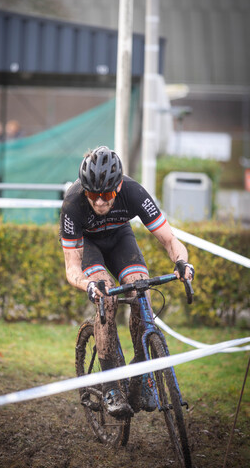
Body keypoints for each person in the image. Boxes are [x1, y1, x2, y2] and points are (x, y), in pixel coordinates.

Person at [60, 146, 194, 418]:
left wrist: (182, 262)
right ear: (84, 190)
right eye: (93, 195)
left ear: (118, 187)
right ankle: (110, 387)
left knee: (140, 287)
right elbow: (72, 267)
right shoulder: (73, 203)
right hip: (90, 244)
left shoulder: (134, 192)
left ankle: (141, 374)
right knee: (106, 296)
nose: (99, 202)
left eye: (107, 194)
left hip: (120, 237)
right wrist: (88, 285)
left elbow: (170, 240)